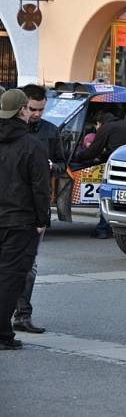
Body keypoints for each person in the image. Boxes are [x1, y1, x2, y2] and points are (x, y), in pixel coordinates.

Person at [13, 85, 65, 334]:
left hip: (37, 207)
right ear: (23, 107)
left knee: (30, 266)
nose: (37, 114)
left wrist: (51, 165)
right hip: (12, 206)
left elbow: (63, 165)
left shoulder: (50, 131)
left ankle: (23, 315)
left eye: (41, 109)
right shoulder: (10, 131)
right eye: (33, 109)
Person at [0, 89, 50, 350]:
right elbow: (40, 188)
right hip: (20, 220)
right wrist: (43, 219)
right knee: (11, 278)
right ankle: (2, 333)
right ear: (22, 110)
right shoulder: (32, 145)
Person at [75, 111, 126, 239]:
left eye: (96, 126)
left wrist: (78, 157)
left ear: (99, 122)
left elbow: (94, 150)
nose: (97, 129)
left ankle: (102, 229)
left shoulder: (106, 127)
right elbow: (116, 148)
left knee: (108, 195)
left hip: (117, 167)